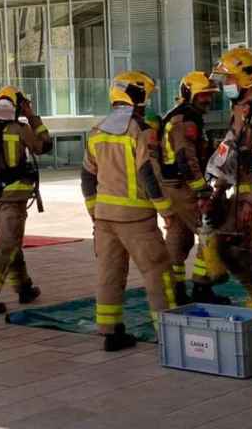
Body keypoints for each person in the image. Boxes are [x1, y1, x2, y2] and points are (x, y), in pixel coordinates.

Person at [82, 71, 176, 351]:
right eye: (145, 98)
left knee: (109, 273)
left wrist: (93, 210)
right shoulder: (139, 131)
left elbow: (87, 177)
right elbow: (148, 174)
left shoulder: (97, 131)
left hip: (104, 218)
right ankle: (169, 333)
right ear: (136, 98)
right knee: (157, 272)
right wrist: (166, 211)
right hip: (136, 218)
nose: (147, 105)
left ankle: (110, 331)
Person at [204, 48, 252, 310]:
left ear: (246, 78)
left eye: (229, 80)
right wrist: (216, 193)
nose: (225, 86)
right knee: (225, 247)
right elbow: (228, 154)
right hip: (239, 201)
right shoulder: (239, 113)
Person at [0, 86, 53, 315]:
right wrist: (32, 116)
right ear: (17, 106)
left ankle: (24, 287)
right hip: (13, 195)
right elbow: (44, 145)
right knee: (7, 245)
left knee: (11, 242)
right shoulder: (19, 128)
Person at [158, 72, 228, 305]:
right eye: (203, 95)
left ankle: (176, 291)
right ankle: (202, 286)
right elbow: (185, 157)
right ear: (190, 94)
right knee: (210, 230)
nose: (207, 100)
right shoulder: (188, 119)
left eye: (209, 95)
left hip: (172, 186)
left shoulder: (177, 114)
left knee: (179, 237)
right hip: (184, 186)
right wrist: (201, 190)